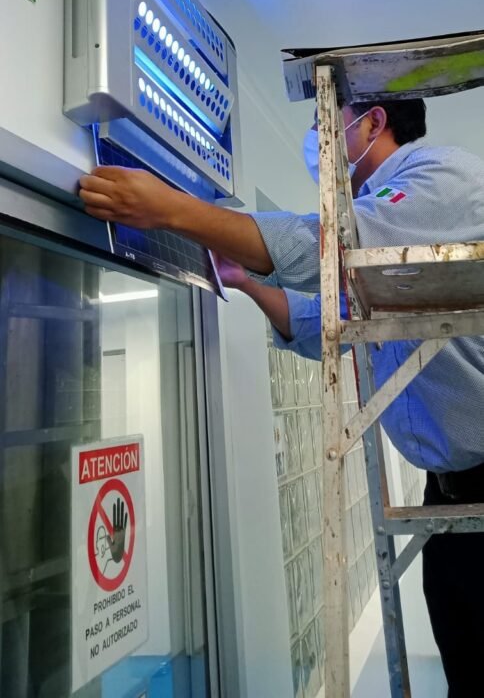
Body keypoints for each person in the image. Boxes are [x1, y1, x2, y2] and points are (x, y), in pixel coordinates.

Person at [80, 97, 484, 697]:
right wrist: (244, 281)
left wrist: (173, 210)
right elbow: (326, 320)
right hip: (447, 499)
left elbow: (324, 248)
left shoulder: (441, 176)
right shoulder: (380, 242)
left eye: (326, 121)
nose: (316, 137)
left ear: (373, 122)